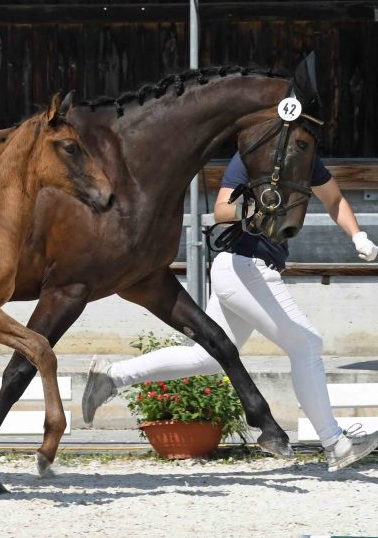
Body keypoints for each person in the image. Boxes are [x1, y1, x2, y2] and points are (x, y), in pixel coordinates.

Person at [82, 151, 378, 472]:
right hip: (245, 266)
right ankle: (335, 444)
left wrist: (357, 235)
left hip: (243, 272)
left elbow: (334, 200)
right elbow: (222, 211)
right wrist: (255, 209)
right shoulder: (250, 157)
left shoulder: (307, 160)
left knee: (205, 359)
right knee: (306, 345)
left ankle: (112, 376)